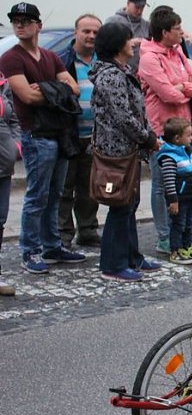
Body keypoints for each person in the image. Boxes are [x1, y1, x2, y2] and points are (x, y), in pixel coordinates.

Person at [0, 2, 86, 274]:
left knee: (56, 195)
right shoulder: (12, 58)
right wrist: (57, 90)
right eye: (16, 20)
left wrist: (48, 90)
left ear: (38, 25)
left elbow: (73, 88)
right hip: (36, 134)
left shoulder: (50, 56)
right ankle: (30, 250)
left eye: (26, 20)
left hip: (59, 134)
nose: (20, 24)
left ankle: (52, 245)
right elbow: (25, 95)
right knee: (37, 196)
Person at [89, 23, 161, 281]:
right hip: (116, 152)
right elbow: (124, 118)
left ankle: (132, 257)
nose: (134, 43)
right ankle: (112, 264)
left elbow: (137, 112)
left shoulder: (122, 71)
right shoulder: (111, 77)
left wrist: (148, 135)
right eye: (129, 39)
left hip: (129, 150)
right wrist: (148, 138)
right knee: (120, 207)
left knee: (130, 205)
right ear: (118, 45)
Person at [137, 7, 192, 255]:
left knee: (184, 181)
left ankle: (182, 233)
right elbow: (168, 94)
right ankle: (164, 235)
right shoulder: (149, 58)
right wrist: (184, 89)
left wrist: (183, 86)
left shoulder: (177, 52)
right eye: (177, 29)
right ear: (165, 32)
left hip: (183, 127)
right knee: (162, 184)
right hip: (161, 130)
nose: (182, 33)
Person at [57, 14, 102, 248]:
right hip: (68, 134)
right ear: (76, 32)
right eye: (86, 31)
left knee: (89, 188)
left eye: (95, 32)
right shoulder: (62, 60)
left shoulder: (102, 60)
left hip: (94, 135)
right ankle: (63, 235)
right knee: (65, 188)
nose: (91, 36)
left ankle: (88, 230)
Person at [157, 117, 192, 264]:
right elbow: (169, 182)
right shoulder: (169, 157)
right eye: (188, 135)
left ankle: (187, 246)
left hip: (189, 196)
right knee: (178, 225)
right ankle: (175, 250)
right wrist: (173, 200)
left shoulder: (189, 152)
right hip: (179, 199)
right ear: (177, 138)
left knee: (189, 223)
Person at [0, 71, 21, 294]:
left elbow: (13, 118)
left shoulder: (1, 80)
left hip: (3, 167)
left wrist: (15, 147)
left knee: (0, 221)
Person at [104, 0, 150, 73]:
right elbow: (105, 45)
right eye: (137, 7)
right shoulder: (113, 21)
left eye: (142, 7)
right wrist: (128, 42)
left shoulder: (146, 25)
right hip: (117, 71)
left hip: (140, 73)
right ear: (128, 3)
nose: (139, 11)